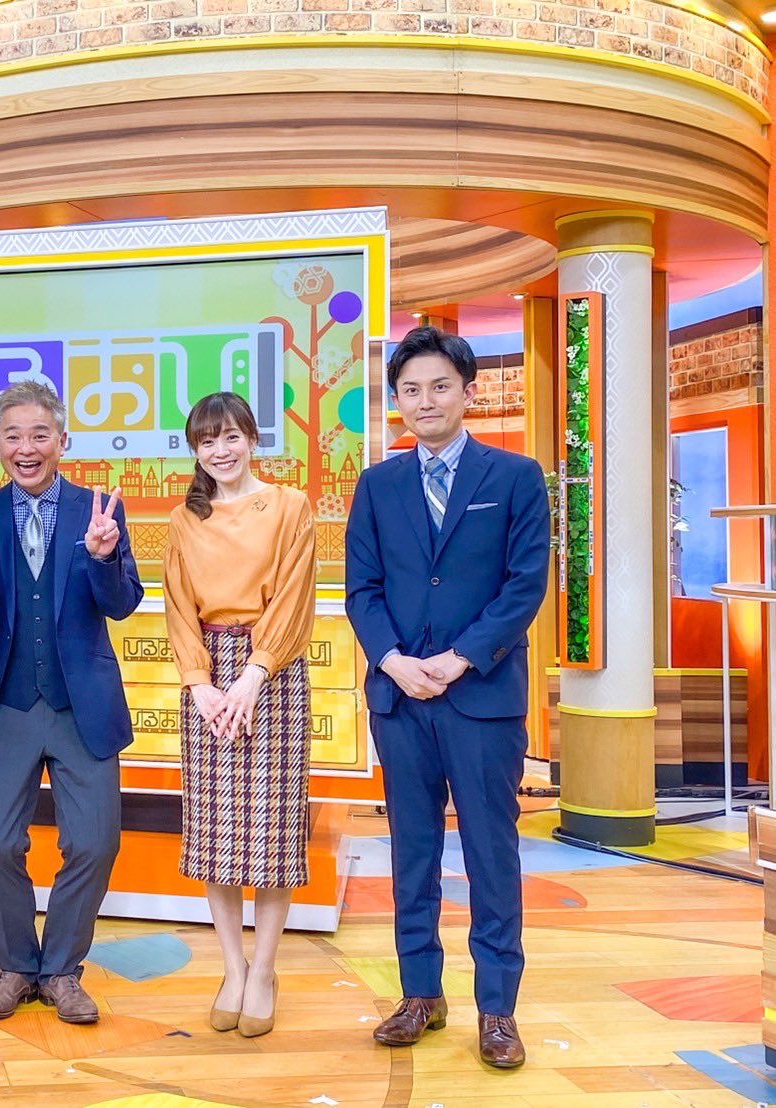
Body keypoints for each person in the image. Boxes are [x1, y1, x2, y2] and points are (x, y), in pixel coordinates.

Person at [344, 325, 550, 1069]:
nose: (425, 401)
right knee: (412, 850)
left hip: (482, 698)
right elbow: (363, 589)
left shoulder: (516, 477)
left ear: (468, 391)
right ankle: (420, 994)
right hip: (401, 699)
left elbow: (525, 585)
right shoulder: (378, 485)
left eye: (439, 386)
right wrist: (394, 661)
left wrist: (460, 658)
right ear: (396, 400)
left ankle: (497, 1009)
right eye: (410, 390)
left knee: (491, 852)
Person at [0, 381, 144, 1024]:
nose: (27, 447)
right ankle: (15, 966)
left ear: (62, 441)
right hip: (4, 705)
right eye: (13, 435)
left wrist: (103, 557)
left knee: (94, 843)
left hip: (81, 705)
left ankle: (63, 969)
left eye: (40, 434)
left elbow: (122, 603)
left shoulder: (98, 512)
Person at [162, 391, 317, 1039]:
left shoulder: (289, 506)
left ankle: (265, 971)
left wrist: (255, 673)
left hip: (271, 675)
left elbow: (294, 597)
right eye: (207, 441)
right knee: (215, 834)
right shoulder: (183, 519)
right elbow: (178, 606)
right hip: (206, 679)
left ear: (253, 439)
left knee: (272, 833)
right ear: (195, 451)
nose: (220, 451)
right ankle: (232, 968)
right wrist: (199, 684)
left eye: (231, 437)